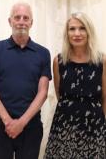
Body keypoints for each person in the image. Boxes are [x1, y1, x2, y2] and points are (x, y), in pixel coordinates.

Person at [0, 2, 52, 159]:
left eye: (26, 18)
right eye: (17, 17)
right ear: (10, 21)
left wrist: (21, 123)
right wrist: (8, 121)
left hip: (31, 126)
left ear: (31, 22)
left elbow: (43, 92)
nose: (21, 21)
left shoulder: (43, 53)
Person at [44, 12, 106, 158]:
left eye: (82, 28)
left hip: (94, 126)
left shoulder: (101, 60)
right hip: (65, 125)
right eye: (72, 29)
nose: (77, 33)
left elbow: (105, 97)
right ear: (67, 33)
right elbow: (60, 94)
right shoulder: (58, 61)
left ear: (89, 31)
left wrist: (98, 122)